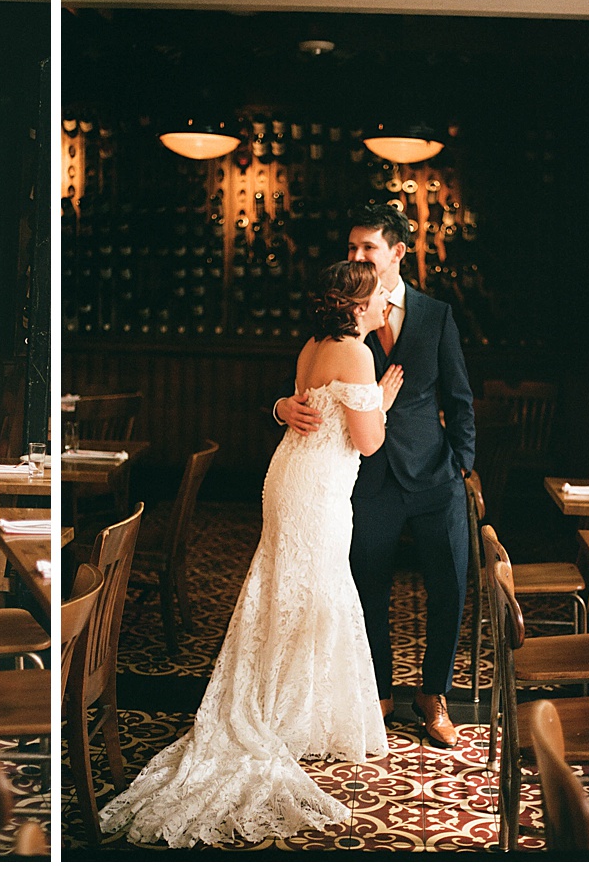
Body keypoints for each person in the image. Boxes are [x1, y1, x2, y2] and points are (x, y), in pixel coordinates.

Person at [100, 260, 402, 848]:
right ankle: (289, 714)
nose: (384, 306)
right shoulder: (358, 354)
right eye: (378, 299)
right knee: (313, 588)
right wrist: (382, 403)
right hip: (316, 487)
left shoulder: (315, 343)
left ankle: (292, 706)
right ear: (358, 306)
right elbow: (367, 442)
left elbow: (301, 406)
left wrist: (283, 407)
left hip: (292, 475)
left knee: (295, 587)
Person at [273, 204, 476, 749]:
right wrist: (280, 407)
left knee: (450, 586)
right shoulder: (337, 318)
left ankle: (435, 696)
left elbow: (459, 397)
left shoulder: (436, 314)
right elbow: (307, 388)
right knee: (367, 588)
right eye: (352, 247)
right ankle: (376, 692)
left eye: (368, 248)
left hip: (435, 477)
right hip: (365, 479)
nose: (357, 256)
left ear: (397, 253)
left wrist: (462, 464)